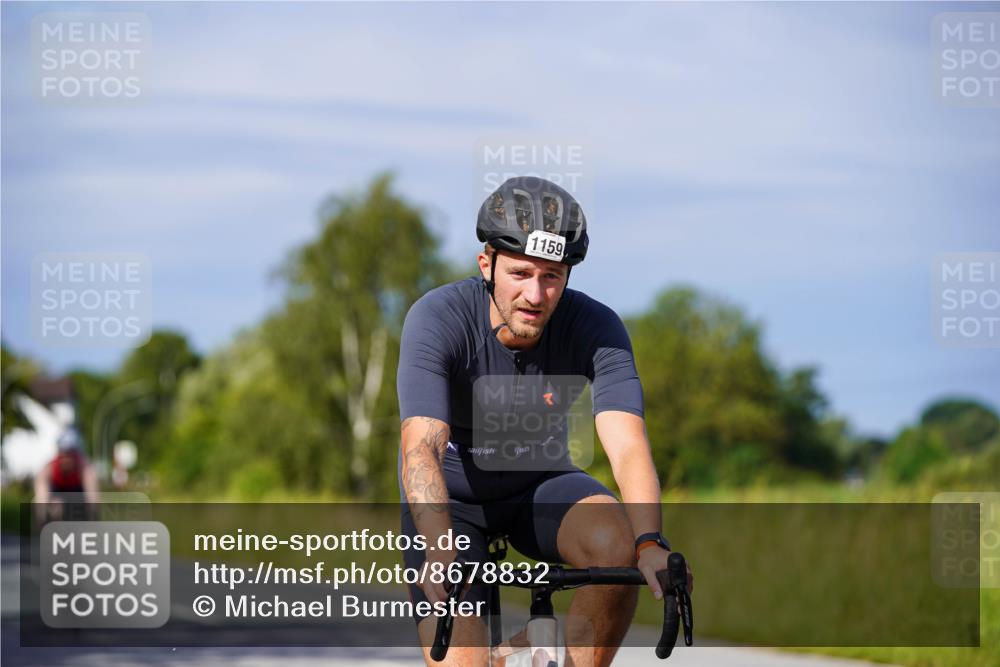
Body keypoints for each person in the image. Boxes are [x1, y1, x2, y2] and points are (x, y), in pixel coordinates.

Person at [397, 176, 693, 666]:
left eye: (551, 276)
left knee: (616, 540)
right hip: (454, 503)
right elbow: (421, 446)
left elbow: (627, 446)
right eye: (520, 274)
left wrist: (650, 544)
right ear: (486, 263)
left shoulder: (597, 327)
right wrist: (439, 547)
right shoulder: (438, 318)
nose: (535, 295)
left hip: (540, 485)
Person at [34, 427, 100, 523]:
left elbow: (93, 496)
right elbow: (41, 491)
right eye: (64, 454)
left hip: (77, 499)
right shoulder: (49, 468)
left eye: (70, 454)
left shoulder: (84, 468)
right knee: (45, 505)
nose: (66, 458)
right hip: (57, 498)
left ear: (76, 454)